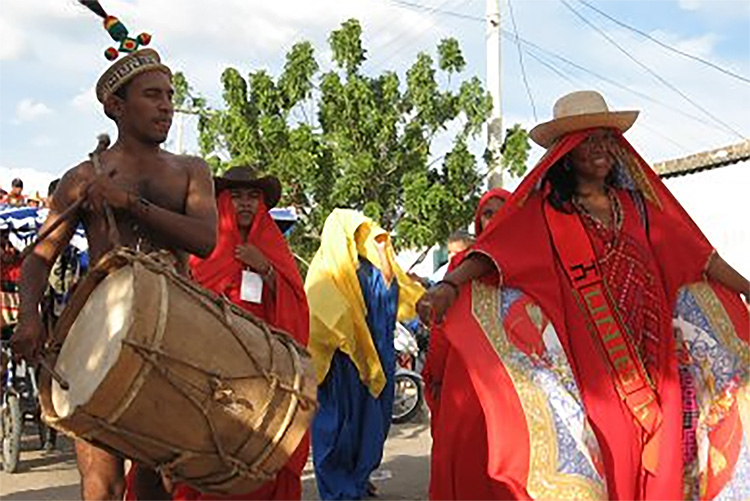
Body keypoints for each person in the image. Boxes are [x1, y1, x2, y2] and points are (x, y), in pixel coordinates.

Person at [417, 90, 750, 499]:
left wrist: (747, 288)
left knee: (663, 455)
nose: (600, 149)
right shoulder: (546, 213)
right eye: (588, 141)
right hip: (590, 360)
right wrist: (449, 286)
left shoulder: (640, 207)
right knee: (612, 447)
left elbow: (700, 257)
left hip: (653, 351)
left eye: (606, 140)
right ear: (566, 154)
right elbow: (494, 255)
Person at [12, 3, 218, 499]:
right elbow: (39, 258)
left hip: (175, 330)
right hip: (96, 331)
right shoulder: (83, 178)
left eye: (170, 95)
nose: (166, 105)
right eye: (152, 95)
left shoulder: (192, 170)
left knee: (157, 480)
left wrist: (129, 203)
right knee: (101, 485)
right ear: (116, 107)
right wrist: (28, 320)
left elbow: (204, 240)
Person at [154, 165, 309, 501]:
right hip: (205, 374)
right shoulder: (202, 248)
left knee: (257, 465)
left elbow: (298, 310)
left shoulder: (275, 249)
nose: (245, 204)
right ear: (222, 200)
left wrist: (265, 268)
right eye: (236, 196)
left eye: (253, 197)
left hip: (261, 378)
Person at [306, 209, 424, 500]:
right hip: (338, 366)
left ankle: (358, 479)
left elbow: (387, 296)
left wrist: (383, 251)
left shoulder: (370, 270)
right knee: (336, 430)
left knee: (370, 426)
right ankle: (338, 489)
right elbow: (318, 320)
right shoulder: (323, 270)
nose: (361, 240)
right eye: (354, 234)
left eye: (363, 233)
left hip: (372, 361)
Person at [422, 187, 510, 500]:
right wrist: (437, 374)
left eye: (502, 210)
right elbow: (442, 326)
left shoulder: (526, 263)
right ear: (478, 220)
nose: (494, 218)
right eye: (488, 212)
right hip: (465, 376)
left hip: (513, 377)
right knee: (463, 452)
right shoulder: (460, 265)